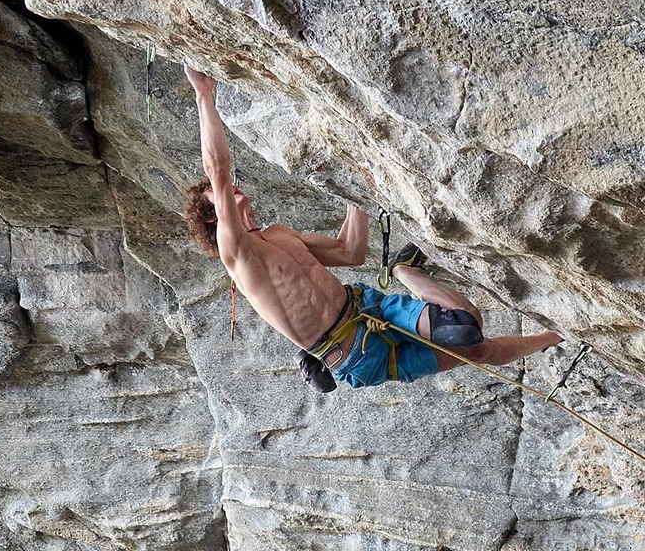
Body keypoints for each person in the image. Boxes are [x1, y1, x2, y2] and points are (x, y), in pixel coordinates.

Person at [182, 66, 562, 390]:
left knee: (465, 328)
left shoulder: (280, 234)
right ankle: (557, 337)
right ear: (214, 219)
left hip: (371, 308)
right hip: (358, 358)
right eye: (213, 195)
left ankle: (403, 271)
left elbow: (351, 251)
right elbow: (218, 168)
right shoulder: (238, 255)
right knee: (478, 350)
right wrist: (204, 95)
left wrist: (359, 180)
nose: (223, 189)